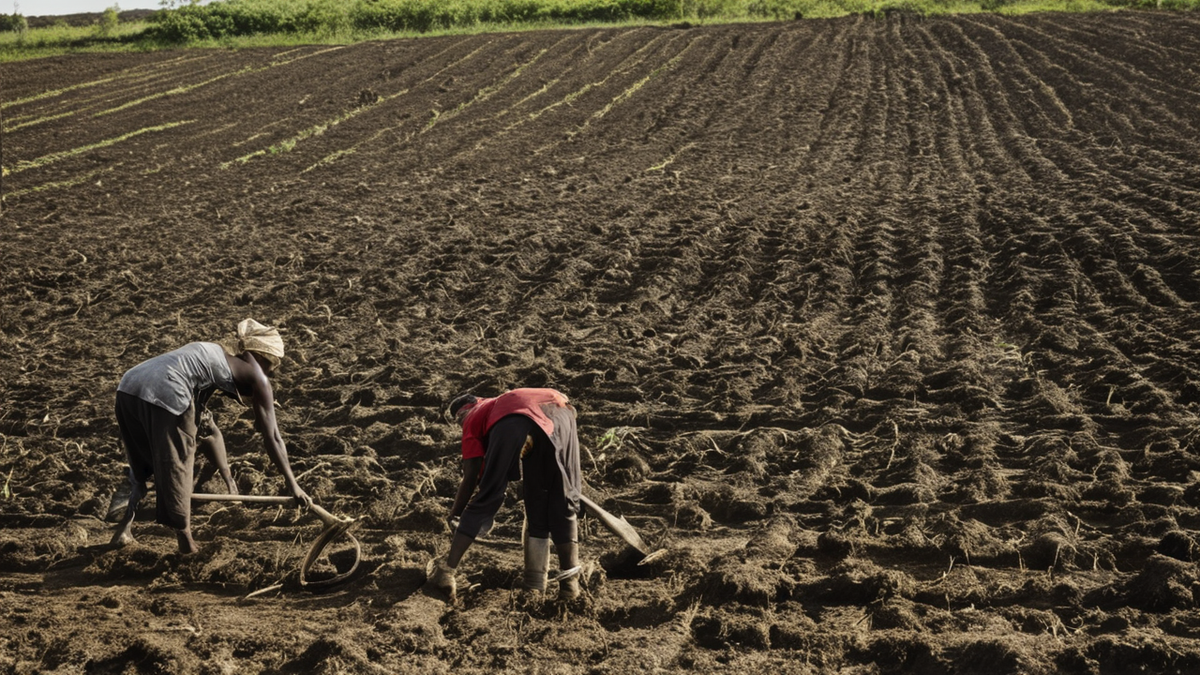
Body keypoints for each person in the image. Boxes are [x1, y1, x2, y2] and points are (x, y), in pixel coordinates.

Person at [109, 319, 312, 554]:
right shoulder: (259, 377)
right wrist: (293, 485)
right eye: (272, 366)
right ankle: (186, 543)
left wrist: (227, 477)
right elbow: (273, 437)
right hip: (168, 388)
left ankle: (123, 529)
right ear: (265, 357)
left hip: (128, 387)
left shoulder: (214, 355)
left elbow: (206, 425)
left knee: (141, 464)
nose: (270, 372)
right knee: (179, 463)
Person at [429, 388, 583, 600]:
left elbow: (472, 475)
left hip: (517, 418)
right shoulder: (497, 402)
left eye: (459, 421)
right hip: (563, 416)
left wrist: (456, 512)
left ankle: (446, 572)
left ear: (464, 411)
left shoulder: (473, 415)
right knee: (558, 498)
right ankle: (563, 585)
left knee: (488, 495)